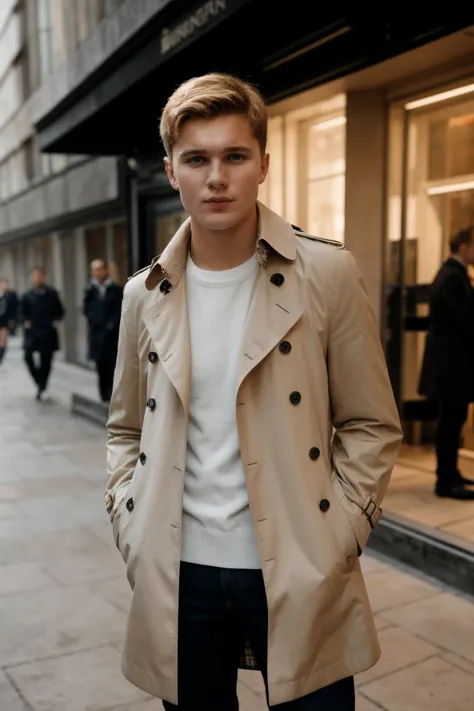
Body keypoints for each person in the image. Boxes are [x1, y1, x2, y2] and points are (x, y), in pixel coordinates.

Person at [105, 73, 402, 710]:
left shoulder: (324, 273)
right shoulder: (144, 294)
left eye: (235, 156)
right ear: (170, 171)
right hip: (179, 574)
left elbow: (371, 424)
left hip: (299, 561)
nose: (217, 177)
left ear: (263, 164)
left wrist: (341, 535)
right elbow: (125, 428)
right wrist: (130, 523)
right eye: (197, 159)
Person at [419, 227, 474, 500]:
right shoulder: (452, 277)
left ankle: (451, 473)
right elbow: (464, 320)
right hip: (451, 367)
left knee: (453, 420)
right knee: (450, 422)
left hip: (451, 366)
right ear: (463, 246)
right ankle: (446, 479)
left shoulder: (452, 275)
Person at [21, 267, 65, 401]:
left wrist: (55, 321)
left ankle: (42, 387)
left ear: (44, 277)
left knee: (46, 361)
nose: (37, 279)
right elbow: (21, 313)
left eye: (40, 276)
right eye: (35, 276)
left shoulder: (52, 294)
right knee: (28, 357)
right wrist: (25, 322)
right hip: (32, 332)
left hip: (47, 332)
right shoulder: (27, 295)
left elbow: (60, 311)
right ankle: (39, 382)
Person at [83, 259, 123, 403]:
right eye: (95, 269)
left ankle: (113, 393)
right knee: (100, 366)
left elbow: (120, 309)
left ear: (106, 270)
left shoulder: (115, 289)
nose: (98, 272)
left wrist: (112, 323)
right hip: (97, 334)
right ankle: (103, 394)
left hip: (112, 335)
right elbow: (86, 309)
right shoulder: (90, 290)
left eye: (100, 269)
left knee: (113, 365)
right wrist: (94, 320)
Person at [0, 278, 19, 365]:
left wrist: (14, 320)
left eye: (6, 284)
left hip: (5, 320)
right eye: (3, 284)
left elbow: (16, 307)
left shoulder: (11, 295)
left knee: (2, 341)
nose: (4, 286)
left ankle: (1, 356)